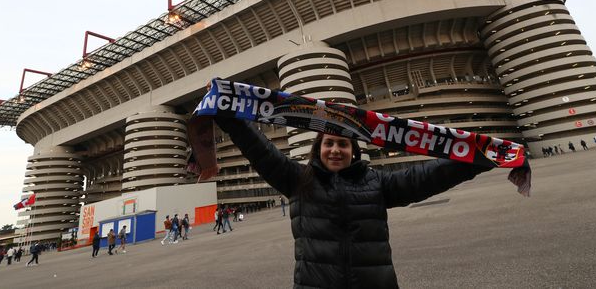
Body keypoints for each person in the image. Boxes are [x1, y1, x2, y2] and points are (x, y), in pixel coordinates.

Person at [212, 117, 520, 288]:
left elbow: (425, 177)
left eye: (342, 145)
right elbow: (260, 150)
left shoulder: (376, 182)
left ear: (354, 152)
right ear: (318, 150)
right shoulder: (298, 179)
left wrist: (478, 158)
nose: (335, 150)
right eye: (328, 144)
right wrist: (227, 115)